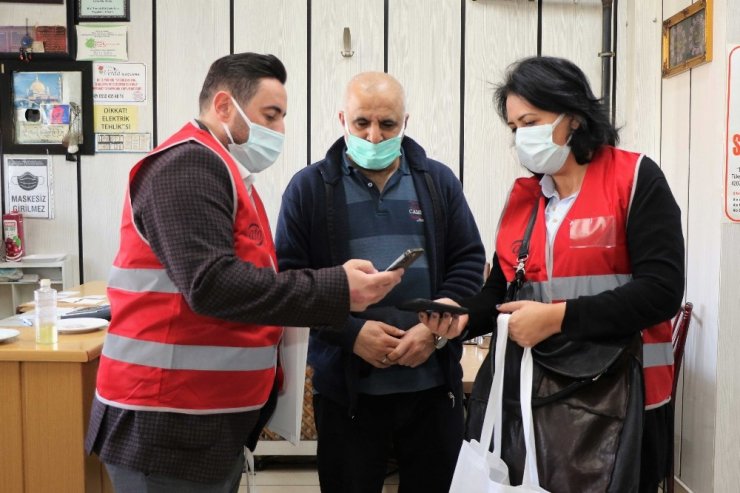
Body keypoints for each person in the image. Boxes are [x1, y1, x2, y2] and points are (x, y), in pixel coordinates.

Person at [85, 53, 403, 493]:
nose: (279, 131)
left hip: (201, 421)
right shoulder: (187, 167)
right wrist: (337, 288)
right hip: (166, 425)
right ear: (223, 106)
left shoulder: (227, 174)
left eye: (282, 118)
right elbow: (212, 284)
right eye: (270, 116)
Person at [421, 56, 685, 493]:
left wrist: (557, 318)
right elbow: (502, 290)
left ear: (574, 118)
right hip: (539, 400)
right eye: (513, 128)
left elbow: (661, 291)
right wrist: (463, 315)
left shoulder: (634, 178)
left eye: (531, 121)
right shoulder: (525, 198)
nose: (522, 137)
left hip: (623, 398)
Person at [274, 72, 486, 493]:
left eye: (387, 124)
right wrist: (351, 334)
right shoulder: (309, 189)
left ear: (405, 121)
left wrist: (435, 331)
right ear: (342, 119)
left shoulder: (437, 181)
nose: (374, 136)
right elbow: (291, 282)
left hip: (431, 386)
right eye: (362, 123)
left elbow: (469, 260)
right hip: (346, 394)